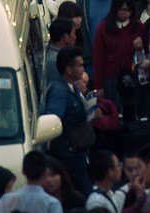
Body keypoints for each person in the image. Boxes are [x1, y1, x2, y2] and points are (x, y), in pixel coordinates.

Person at [43, 47, 94, 195]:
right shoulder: (59, 91)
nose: (83, 69)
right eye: (79, 65)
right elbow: (52, 120)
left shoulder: (73, 88)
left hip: (78, 151)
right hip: (67, 155)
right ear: (69, 69)